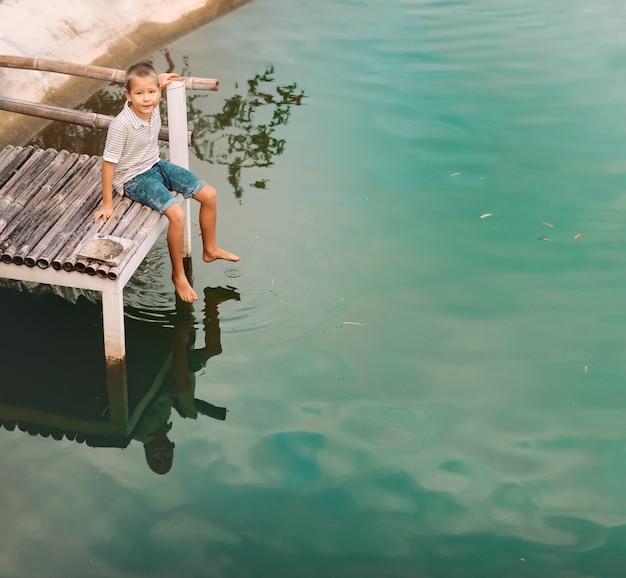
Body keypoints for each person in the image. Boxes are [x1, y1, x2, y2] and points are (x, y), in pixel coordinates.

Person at [93, 61, 239, 302]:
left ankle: (210, 249)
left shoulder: (152, 103)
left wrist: (159, 79)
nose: (147, 99)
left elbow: (152, 83)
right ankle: (178, 276)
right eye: (139, 93)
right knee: (177, 215)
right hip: (133, 178)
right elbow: (108, 164)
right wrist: (107, 203)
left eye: (152, 92)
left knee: (210, 195)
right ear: (127, 95)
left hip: (155, 164)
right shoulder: (121, 125)